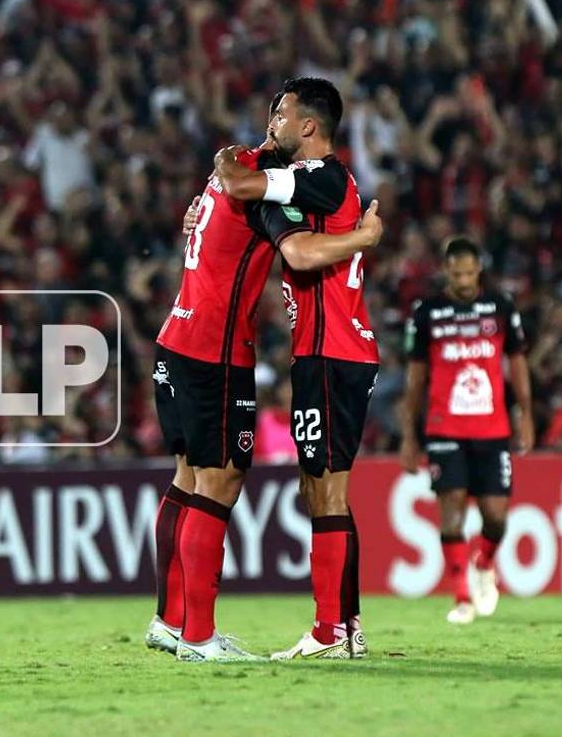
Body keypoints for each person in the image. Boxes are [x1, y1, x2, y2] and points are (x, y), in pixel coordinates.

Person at [151, 87, 381, 662]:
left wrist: (225, 166)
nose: (270, 120)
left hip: (186, 338)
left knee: (211, 481)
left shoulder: (310, 178)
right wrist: (365, 238)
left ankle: (178, 621)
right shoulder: (259, 180)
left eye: (281, 113)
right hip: (215, 348)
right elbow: (292, 244)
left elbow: (241, 187)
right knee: (220, 482)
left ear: (307, 126)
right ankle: (199, 636)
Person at [399, 236, 534, 625]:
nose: (462, 278)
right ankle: (461, 598)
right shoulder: (428, 312)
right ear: (446, 271)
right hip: (444, 428)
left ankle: (484, 561)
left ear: (479, 270)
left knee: (496, 517)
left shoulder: (501, 306)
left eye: (468, 271)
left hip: (492, 428)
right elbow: (416, 378)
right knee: (452, 509)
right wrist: (410, 434)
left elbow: (518, 362)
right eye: (455, 272)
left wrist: (525, 413)